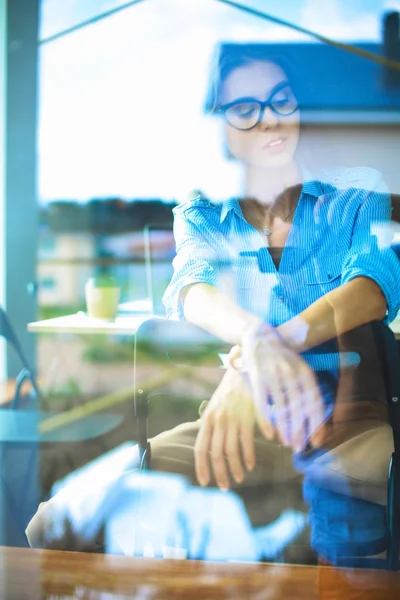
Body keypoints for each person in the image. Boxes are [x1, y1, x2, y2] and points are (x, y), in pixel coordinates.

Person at [27, 43, 400, 565]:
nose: (269, 119)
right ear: (220, 128)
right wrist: (252, 346)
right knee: (57, 521)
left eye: (282, 100)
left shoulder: (355, 194)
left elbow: (373, 285)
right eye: (245, 109)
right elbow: (191, 289)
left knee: (335, 558)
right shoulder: (204, 216)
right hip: (241, 420)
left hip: (345, 424)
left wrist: (259, 358)